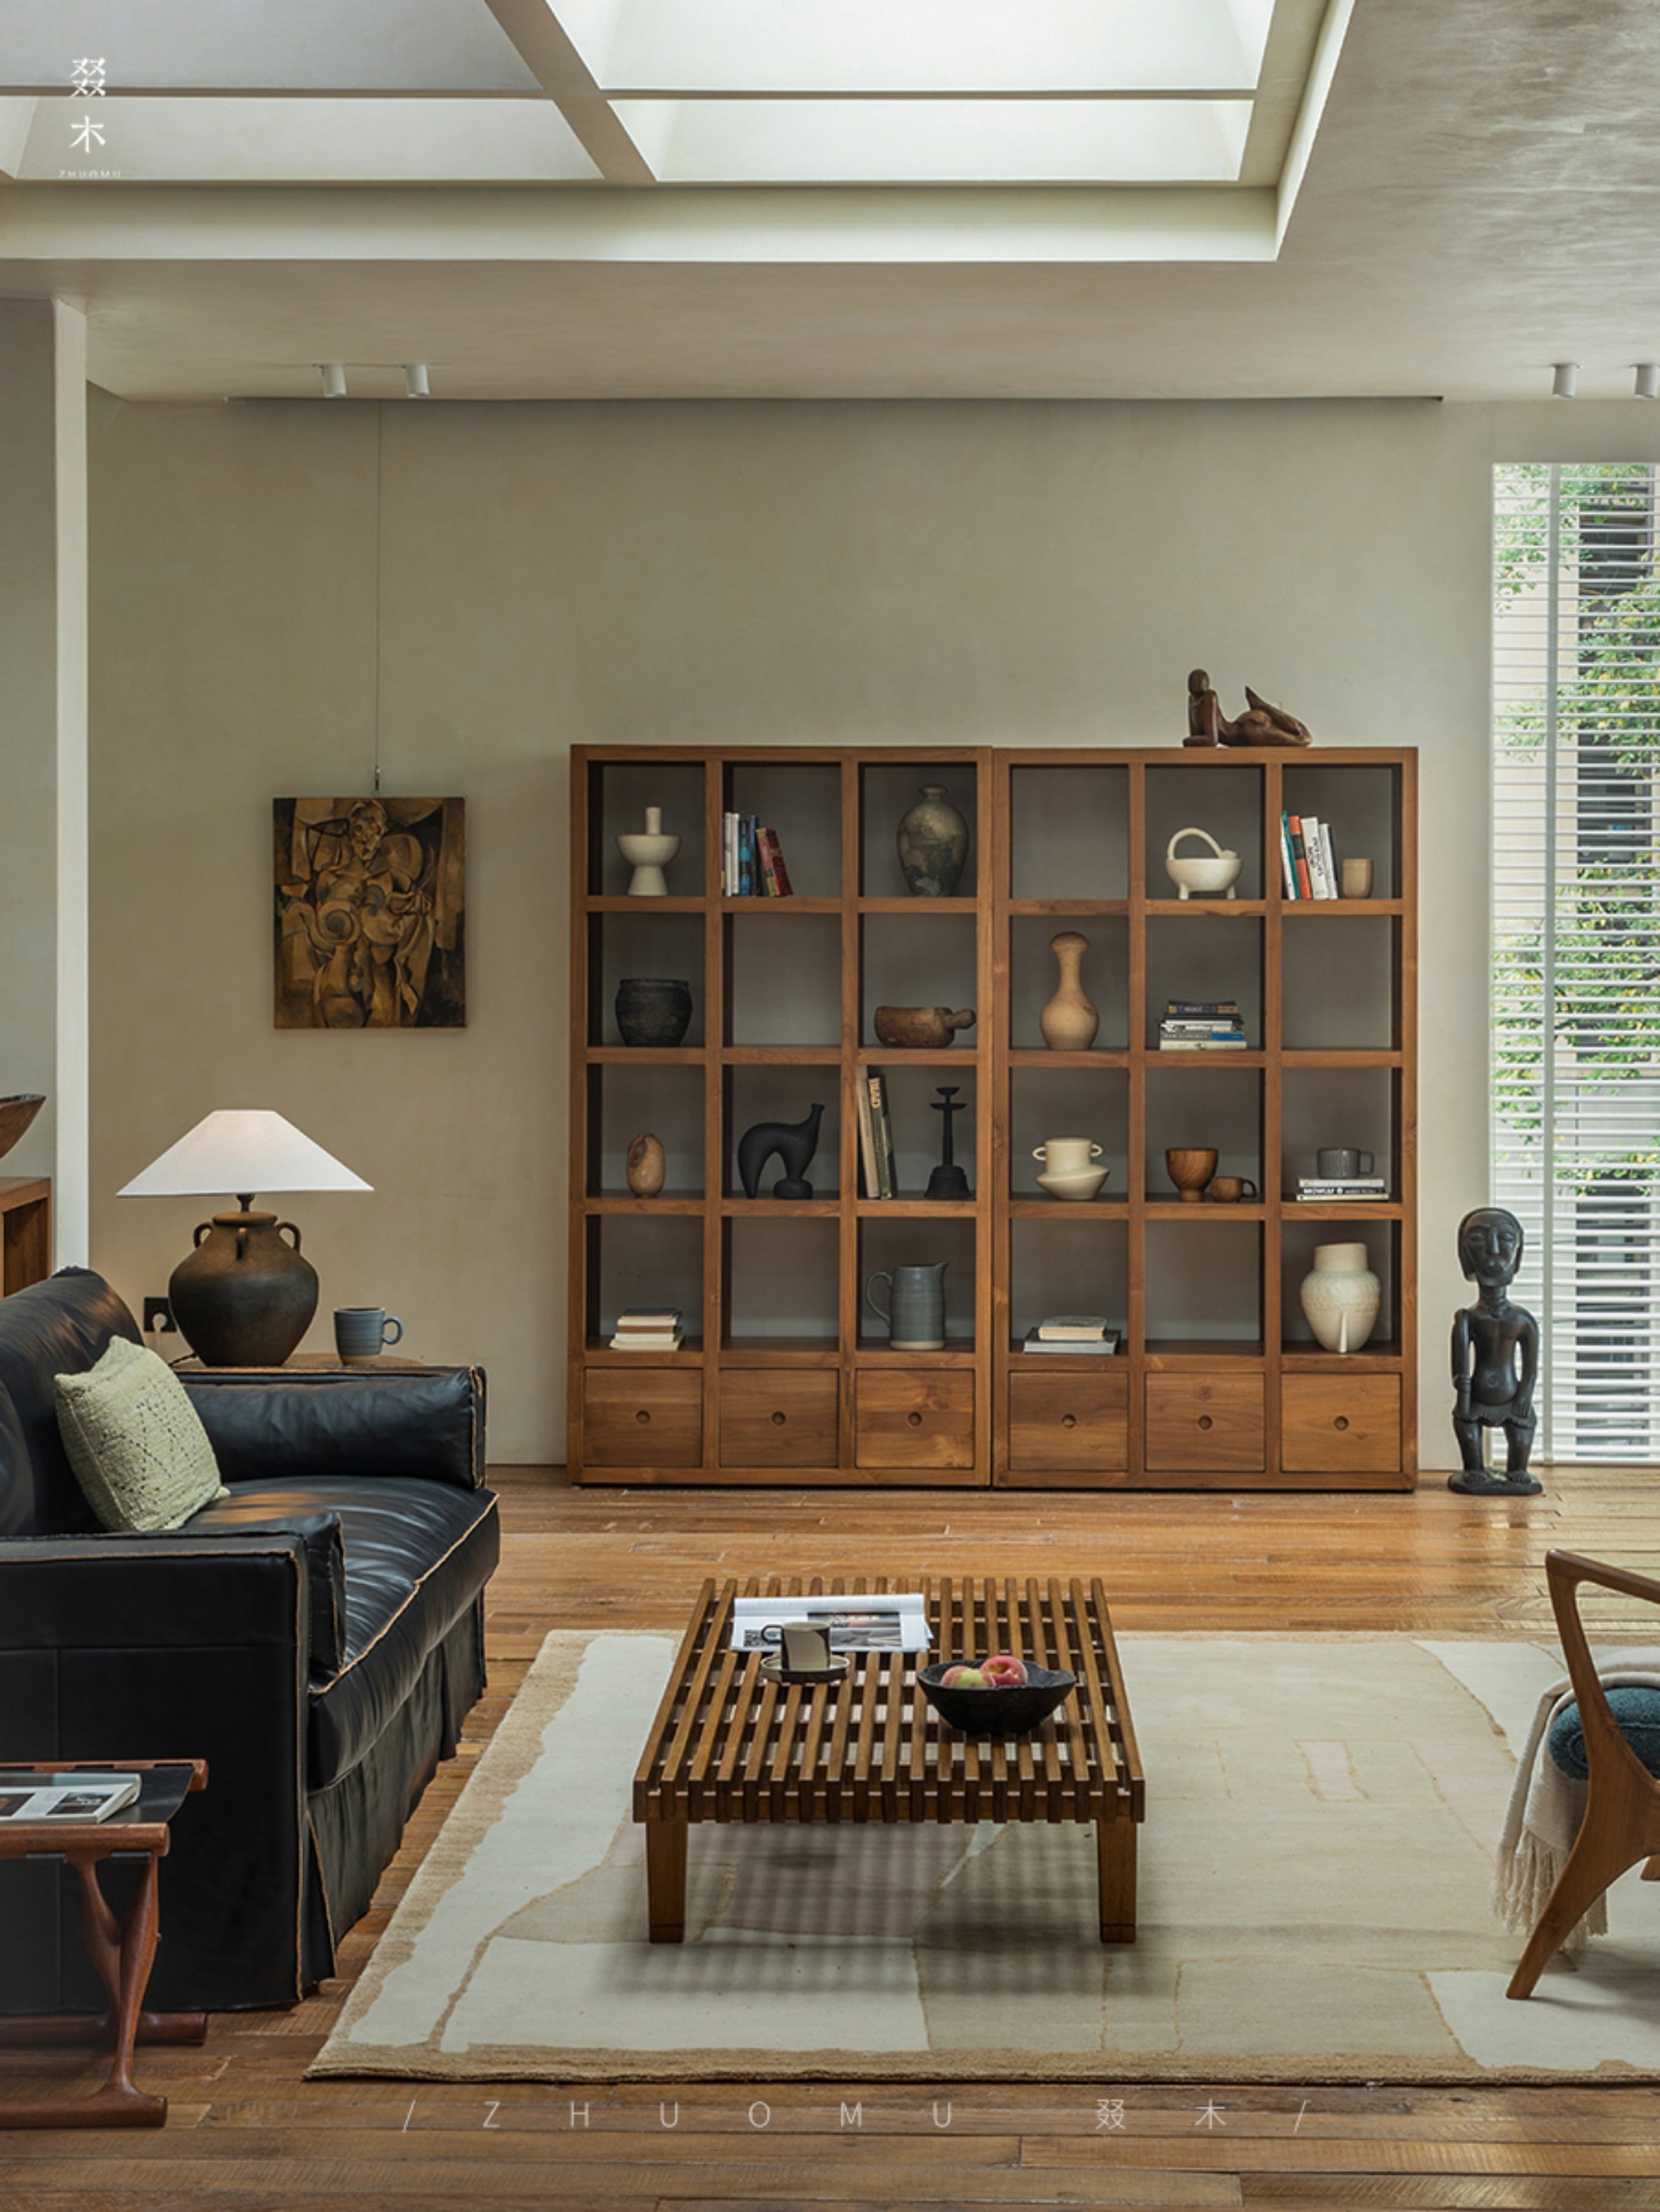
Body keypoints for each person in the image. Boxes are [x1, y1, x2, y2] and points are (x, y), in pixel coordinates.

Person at [1450, 1206, 1543, 1496]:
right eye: (1478, 1239)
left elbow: (1530, 1370)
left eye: (1504, 1238)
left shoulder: (1523, 1321)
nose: (1492, 1250)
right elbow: (1460, 1370)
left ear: (1518, 1250)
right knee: (1466, 1432)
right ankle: (1474, 1468)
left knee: (1520, 1468)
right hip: (1475, 1402)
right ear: (1465, 1254)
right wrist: (1463, 1394)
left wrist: (1524, 1398)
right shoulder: (1467, 1318)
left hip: (1513, 1400)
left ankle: (1517, 1468)